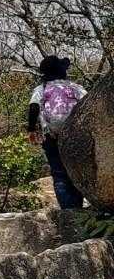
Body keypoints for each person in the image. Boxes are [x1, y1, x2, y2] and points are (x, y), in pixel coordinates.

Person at [28, 55, 87, 210]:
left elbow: (34, 107)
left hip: (52, 136)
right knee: (77, 170)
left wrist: (31, 130)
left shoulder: (42, 89)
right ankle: (79, 207)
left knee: (59, 172)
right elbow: (88, 103)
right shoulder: (75, 87)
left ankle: (68, 210)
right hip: (75, 134)